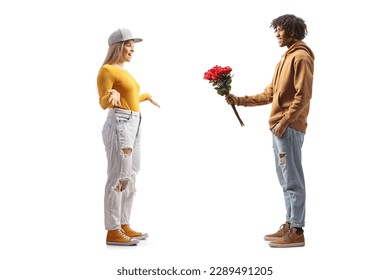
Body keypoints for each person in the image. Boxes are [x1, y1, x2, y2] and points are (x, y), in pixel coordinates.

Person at [226, 14, 314, 248]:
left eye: (280, 30)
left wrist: (285, 121)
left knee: (293, 180)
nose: (276, 34)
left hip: (288, 128)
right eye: (275, 30)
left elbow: (303, 95)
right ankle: (290, 222)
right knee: (285, 180)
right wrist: (238, 99)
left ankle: (297, 230)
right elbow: (269, 94)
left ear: (292, 31)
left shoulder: (301, 57)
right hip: (279, 128)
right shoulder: (283, 60)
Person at [97, 28, 160, 246]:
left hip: (134, 122)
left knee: (131, 176)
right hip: (120, 123)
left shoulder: (126, 72)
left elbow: (129, 96)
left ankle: (124, 224)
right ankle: (112, 231)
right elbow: (104, 101)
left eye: (133, 45)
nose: (132, 49)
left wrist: (145, 96)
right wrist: (110, 95)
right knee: (118, 176)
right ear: (117, 46)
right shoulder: (107, 70)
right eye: (128, 44)